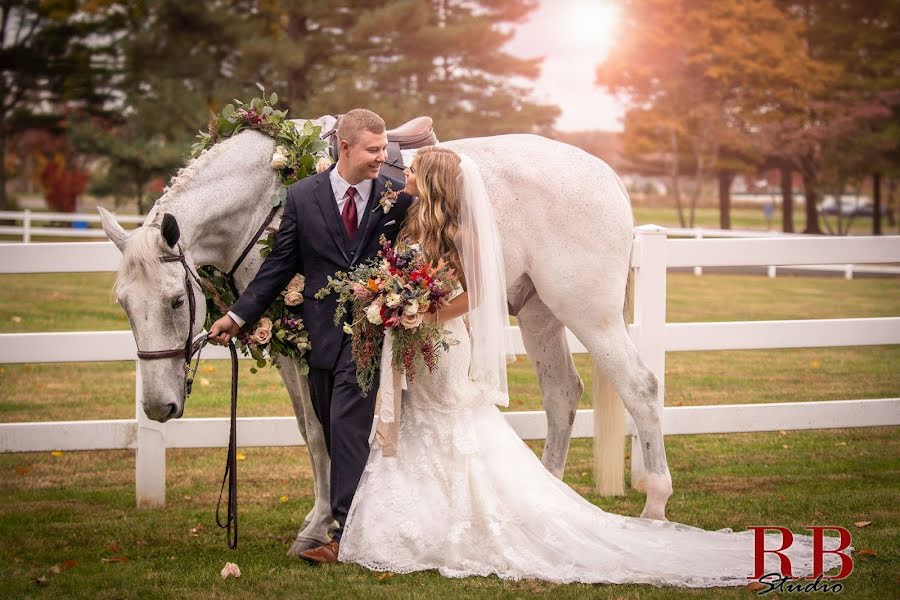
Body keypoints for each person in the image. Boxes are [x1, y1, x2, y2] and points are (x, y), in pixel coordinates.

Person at [337, 146, 851, 587]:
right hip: (425, 339)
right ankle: (435, 518)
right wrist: (396, 302)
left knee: (456, 427)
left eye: (411, 173)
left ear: (431, 184)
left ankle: (525, 504)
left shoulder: (467, 232)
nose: (400, 176)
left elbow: (479, 292)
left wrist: (418, 308)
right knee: (429, 425)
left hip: (437, 331)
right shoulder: (415, 221)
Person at [208, 108, 414, 563]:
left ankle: (346, 535)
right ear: (345, 147)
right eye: (374, 150)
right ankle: (369, 521)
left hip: (369, 334)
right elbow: (279, 267)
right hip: (319, 336)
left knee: (346, 425)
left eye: (385, 149)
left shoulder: (396, 199)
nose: (383, 158)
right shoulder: (302, 197)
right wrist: (238, 318)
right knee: (327, 420)